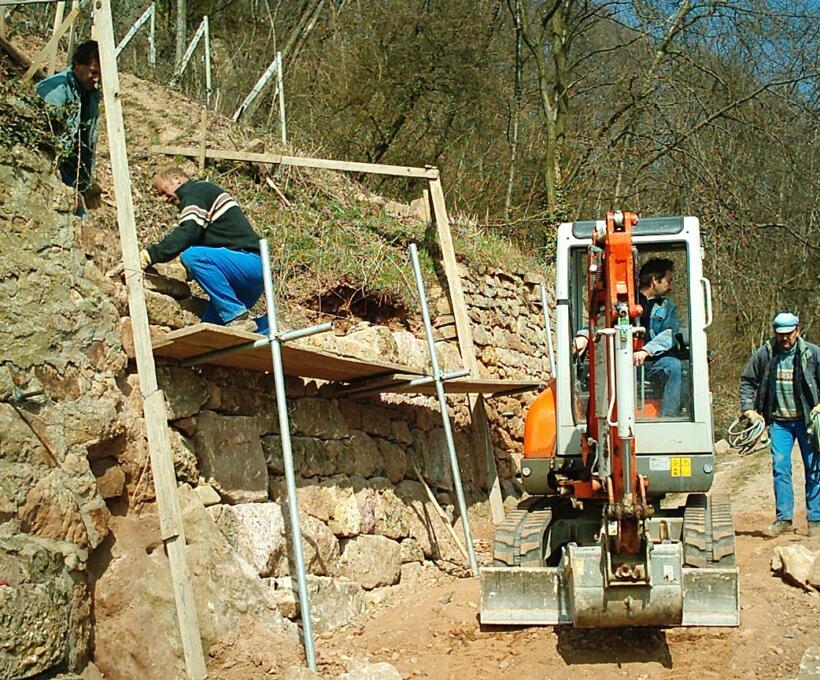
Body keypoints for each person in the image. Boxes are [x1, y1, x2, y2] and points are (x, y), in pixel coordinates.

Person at [141, 166, 265, 333]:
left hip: (250, 262)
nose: (163, 199)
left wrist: (150, 255)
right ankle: (271, 328)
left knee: (193, 256)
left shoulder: (195, 191)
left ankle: (236, 316)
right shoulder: (204, 196)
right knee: (213, 329)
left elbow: (188, 232)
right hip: (247, 274)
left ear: (177, 179)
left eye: (163, 191)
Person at [739, 312, 820, 538]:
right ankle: (784, 519)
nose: (784, 339)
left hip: (808, 422)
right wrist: (749, 409)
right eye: (780, 334)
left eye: (788, 334)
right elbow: (748, 380)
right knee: (780, 468)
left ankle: (815, 519)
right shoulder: (765, 354)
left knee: (814, 467)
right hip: (779, 423)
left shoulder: (812, 354)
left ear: (798, 331)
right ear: (774, 333)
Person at [35, 40, 102, 212]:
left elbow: (85, 144)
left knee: (79, 222)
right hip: (51, 169)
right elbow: (45, 138)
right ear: (78, 64)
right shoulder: (55, 90)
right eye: (93, 72)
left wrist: (85, 183)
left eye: (101, 74)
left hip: (71, 174)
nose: (97, 79)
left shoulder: (91, 95)